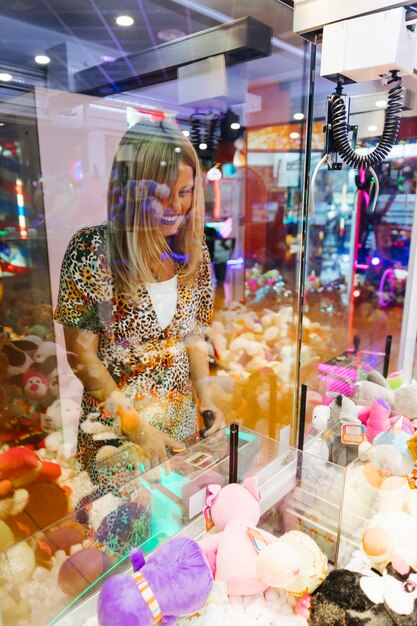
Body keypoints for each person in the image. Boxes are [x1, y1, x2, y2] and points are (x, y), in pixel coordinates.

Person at [54, 120, 224, 480]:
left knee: (177, 528)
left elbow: (192, 335)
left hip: (179, 425)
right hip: (115, 438)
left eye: (185, 191)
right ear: (130, 191)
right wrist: (136, 427)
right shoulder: (94, 250)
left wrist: (206, 399)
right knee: (121, 528)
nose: (174, 206)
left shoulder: (195, 253)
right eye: (160, 193)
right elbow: (82, 355)